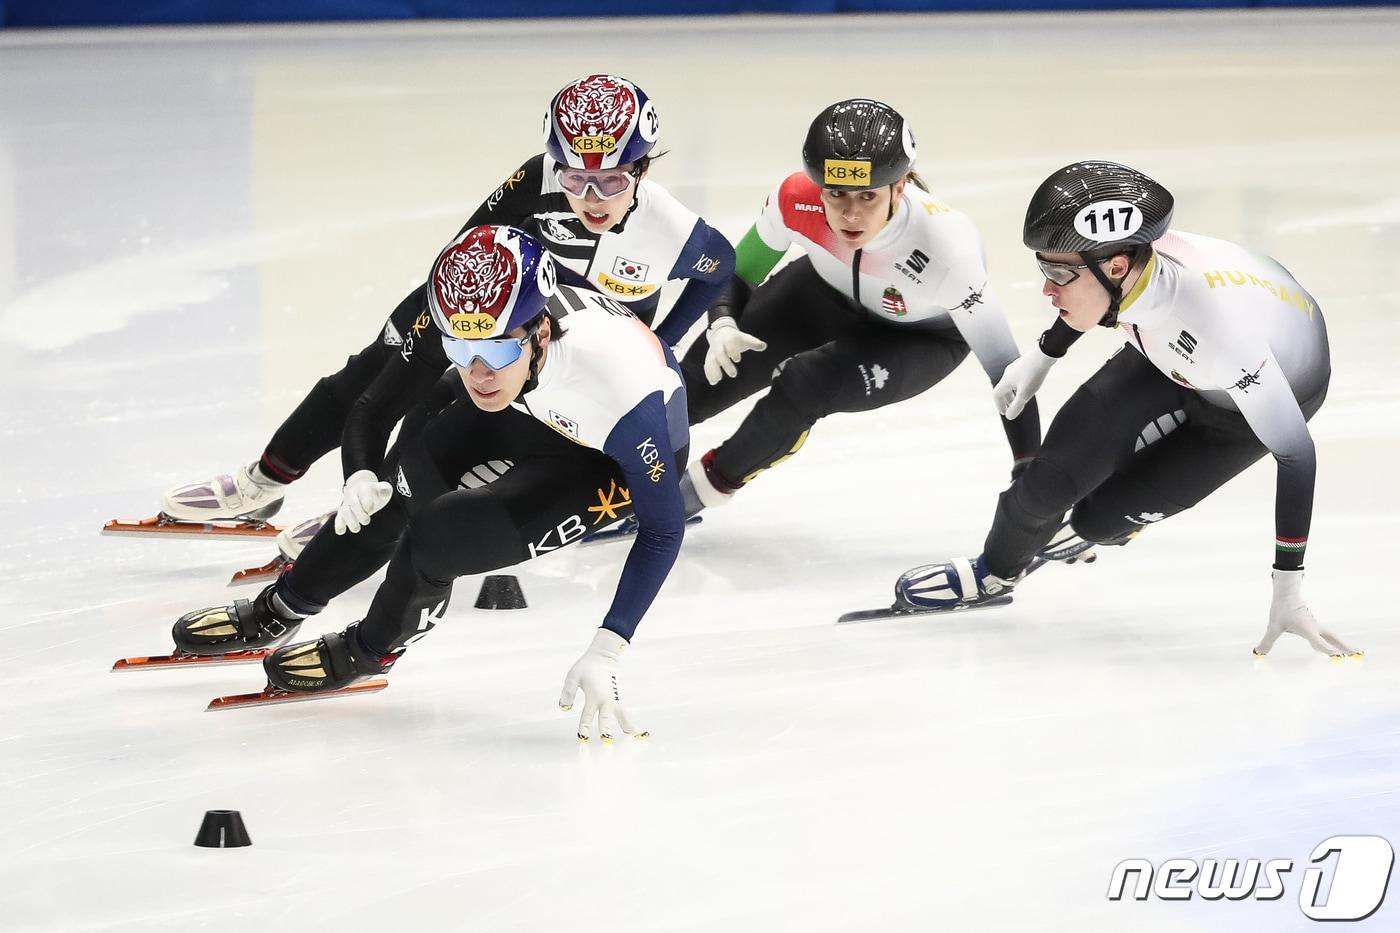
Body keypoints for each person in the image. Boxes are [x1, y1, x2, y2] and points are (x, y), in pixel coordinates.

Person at [155, 73, 730, 553]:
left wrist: (664, 343)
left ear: (641, 169)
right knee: (376, 371)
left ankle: (377, 512)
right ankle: (268, 478)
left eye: (609, 178)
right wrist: (428, 326)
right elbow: (466, 243)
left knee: (447, 414)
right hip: (483, 296)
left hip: (547, 348)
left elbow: (719, 267)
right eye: (575, 175)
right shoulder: (537, 178)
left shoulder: (670, 229)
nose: (590, 195)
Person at [171, 225, 689, 738]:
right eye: (460, 350)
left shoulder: (623, 393)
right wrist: (359, 476)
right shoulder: (463, 309)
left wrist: (608, 648)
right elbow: (374, 406)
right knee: (394, 486)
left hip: (608, 455)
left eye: (497, 352)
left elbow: (664, 530)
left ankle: (372, 649)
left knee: (439, 537)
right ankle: (283, 607)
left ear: (542, 331)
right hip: (533, 404)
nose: (478, 372)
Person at [896, 160, 1358, 659]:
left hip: (1245, 407)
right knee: (1043, 488)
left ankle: (1100, 528)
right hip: (1166, 359)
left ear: (1116, 265)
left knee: (1100, 519)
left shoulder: (1221, 331)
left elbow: (1296, 455)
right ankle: (994, 573)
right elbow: (1095, 299)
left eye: (1057, 272)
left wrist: (1287, 589)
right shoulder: (1131, 271)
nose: (1047, 289)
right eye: (1044, 269)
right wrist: (1044, 355)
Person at [675, 99, 1040, 515]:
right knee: (690, 389)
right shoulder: (796, 198)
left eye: (868, 196)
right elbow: (739, 274)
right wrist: (722, 321)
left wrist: (1031, 471)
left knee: (805, 384)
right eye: (836, 194)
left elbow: (1008, 371)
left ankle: (692, 495)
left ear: (899, 187)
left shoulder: (945, 248)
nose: (851, 214)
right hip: (821, 293)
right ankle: (618, 475)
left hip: (923, 337)